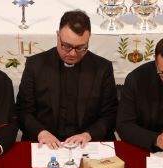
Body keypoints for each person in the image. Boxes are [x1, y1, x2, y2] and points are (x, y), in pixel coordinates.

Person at [16, 10, 118, 148]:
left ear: (89, 39)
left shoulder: (102, 68)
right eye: (67, 46)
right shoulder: (35, 65)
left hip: (87, 143)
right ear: (58, 35)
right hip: (45, 143)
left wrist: (88, 135)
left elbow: (111, 114)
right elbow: (23, 111)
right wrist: (41, 133)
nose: (72, 53)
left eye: (80, 47)